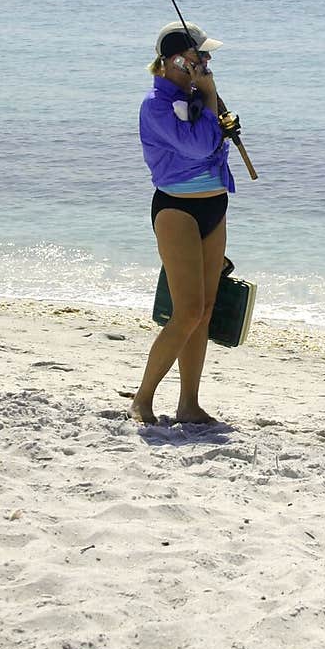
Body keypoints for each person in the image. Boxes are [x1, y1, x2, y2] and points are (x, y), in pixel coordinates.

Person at [131, 21, 235, 425]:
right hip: (176, 209)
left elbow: (216, 147)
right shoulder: (155, 106)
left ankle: (188, 403)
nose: (208, 61)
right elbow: (197, 145)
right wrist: (208, 98)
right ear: (177, 60)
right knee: (187, 311)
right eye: (200, 55)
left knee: (205, 311)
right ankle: (143, 398)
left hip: (214, 206)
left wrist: (213, 104)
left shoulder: (199, 96)